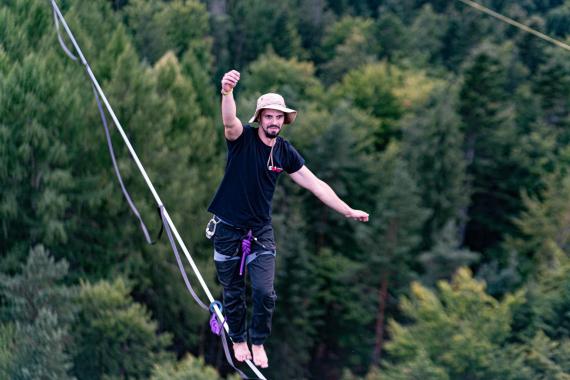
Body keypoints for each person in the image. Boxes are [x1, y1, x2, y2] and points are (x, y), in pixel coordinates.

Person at [207, 69, 369, 369]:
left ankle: (257, 341)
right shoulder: (243, 139)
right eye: (268, 117)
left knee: (265, 293)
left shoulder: (284, 152)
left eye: (278, 117)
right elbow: (229, 122)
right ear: (260, 119)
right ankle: (239, 338)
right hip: (228, 228)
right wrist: (227, 92)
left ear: (284, 121)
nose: (274, 122)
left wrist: (347, 210)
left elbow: (316, 184)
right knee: (233, 291)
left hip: (260, 232)